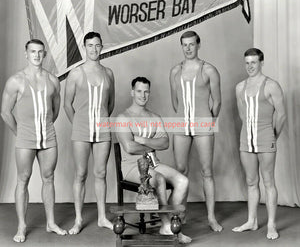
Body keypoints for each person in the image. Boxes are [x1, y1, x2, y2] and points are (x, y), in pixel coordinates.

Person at [1, 39, 67, 242]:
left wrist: (44, 126)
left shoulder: (53, 80)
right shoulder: (16, 81)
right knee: (23, 179)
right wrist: (20, 132)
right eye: (32, 51)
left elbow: (55, 110)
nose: (36, 55)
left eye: (40, 52)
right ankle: (21, 226)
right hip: (25, 137)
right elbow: (5, 112)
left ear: (44, 54)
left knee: (49, 178)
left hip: (48, 136)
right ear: (26, 54)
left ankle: (51, 222)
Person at [116, 77, 192, 244]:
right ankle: (166, 225)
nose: (143, 95)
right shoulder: (123, 118)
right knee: (158, 178)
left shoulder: (154, 117)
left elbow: (165, 143)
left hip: (153, 163)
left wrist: (142, 141)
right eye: (139, 91)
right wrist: (151, 146)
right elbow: (129, 147)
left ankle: (170, 219)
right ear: (132, 92)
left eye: (146, 91)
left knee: (183, 181)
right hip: (131, 167)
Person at [169, 31, 222, 231]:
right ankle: (181, 214)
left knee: (207, 171)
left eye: (192, 44)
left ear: (199, 45)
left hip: (203, 124)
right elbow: (175, 102)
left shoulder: (209, 70)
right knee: (181, 171)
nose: (188, 48)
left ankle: (211, 217)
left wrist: (208, 121)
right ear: (181, 46)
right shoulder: (175, 71)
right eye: (185, 45)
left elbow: (217, 102)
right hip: (181, 125)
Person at [232, 48, 286, 240]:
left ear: (261, 62)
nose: (250, 66)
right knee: (251, 181)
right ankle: (251, 221)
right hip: (246, 140)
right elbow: (242, 115)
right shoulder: (240, 87)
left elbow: (281, 115)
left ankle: (271, 224)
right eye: (247, 63)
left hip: (266, 138)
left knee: (269, 182)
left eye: (253, 62)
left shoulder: (271, 86)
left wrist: (273, 136)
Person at [64, 32, 115, 234]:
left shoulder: (109, 73)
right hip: (81, 129)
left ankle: (102, 217)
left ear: (102, 47)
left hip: (102, 129)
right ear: (84, 47)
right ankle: (78, 220)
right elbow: (67, 104)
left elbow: (110, 104)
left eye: (97, 45)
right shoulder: (76, 73)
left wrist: (100, 121)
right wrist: (79, 123)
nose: (94, 49)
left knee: (101, 173)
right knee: (81, 174)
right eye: (90, 45)